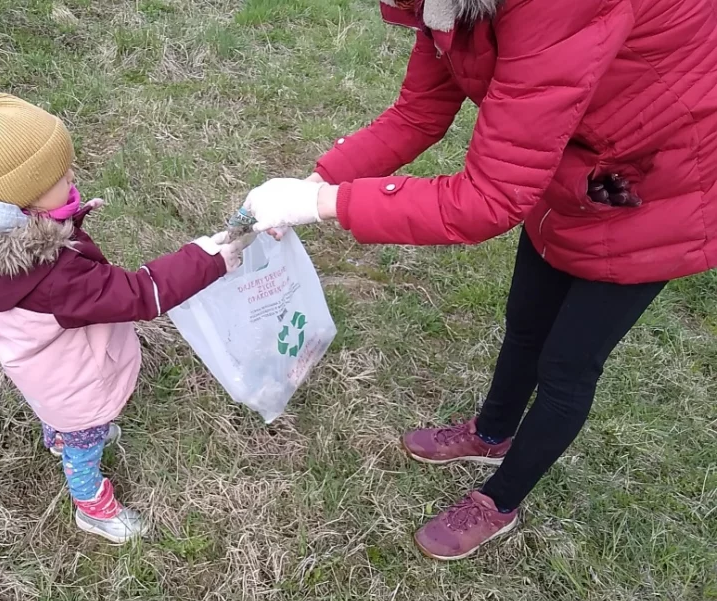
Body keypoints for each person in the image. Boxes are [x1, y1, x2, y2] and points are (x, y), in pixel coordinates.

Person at [243, 0, 717, 560]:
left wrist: (326, 203)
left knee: (567, 366)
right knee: (526, 322)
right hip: (572, 166)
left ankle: (500, 500)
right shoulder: (446, 7)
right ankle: (491, 433)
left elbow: (487, 199)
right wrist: (311, 185)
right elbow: (417, 114)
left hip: (665, 184)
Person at [0, 93, 252, 544]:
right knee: (85, 442)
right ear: (23, 198)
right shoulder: (50, 274)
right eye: (59, 175)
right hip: (72, 383)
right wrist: (209, 260)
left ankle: (59, 435)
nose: (72, 175)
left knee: (65, 419)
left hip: (43, 367)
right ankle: (92, 506)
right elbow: (140, 294)